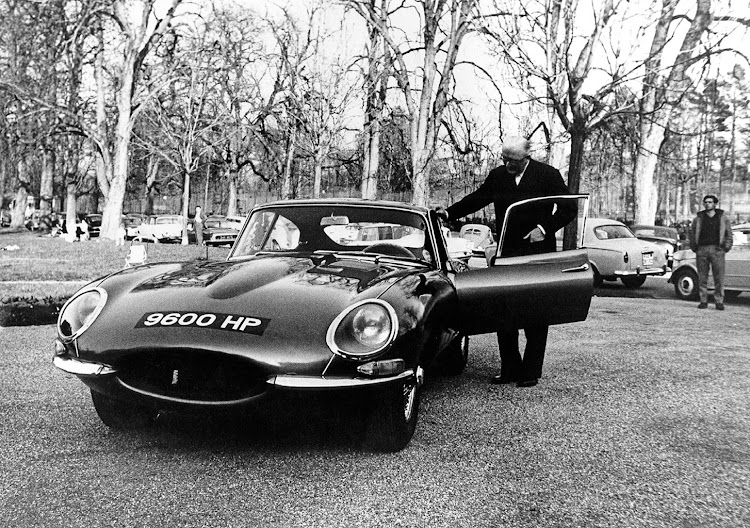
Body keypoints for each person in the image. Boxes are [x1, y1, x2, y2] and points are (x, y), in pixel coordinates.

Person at [437, 136, 576, 387]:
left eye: (512, 160)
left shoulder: (548, 175)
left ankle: (530, 370)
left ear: (526, 157)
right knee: (504, 308)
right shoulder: (498, 175)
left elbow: (569, 209)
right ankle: (510, 367)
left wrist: (544, 229)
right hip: (506, 250)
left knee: (535, 311)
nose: (507, 164)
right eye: (504, 158)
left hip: (537, 253)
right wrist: (449, 213)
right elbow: (478, 198)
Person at [689, 194, 733, 310]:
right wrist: (695, 247)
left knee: (719, 277)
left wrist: (725, 248)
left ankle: (719, 301)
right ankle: (703, 300)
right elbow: (692, 234)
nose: (707, 204)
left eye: (710, 202)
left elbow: (729, 234)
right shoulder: (699, 218)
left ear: (715, 204)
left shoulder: (723, 218)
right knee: (702, 277)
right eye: (705, 202)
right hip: (702, 250)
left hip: (717, 250)